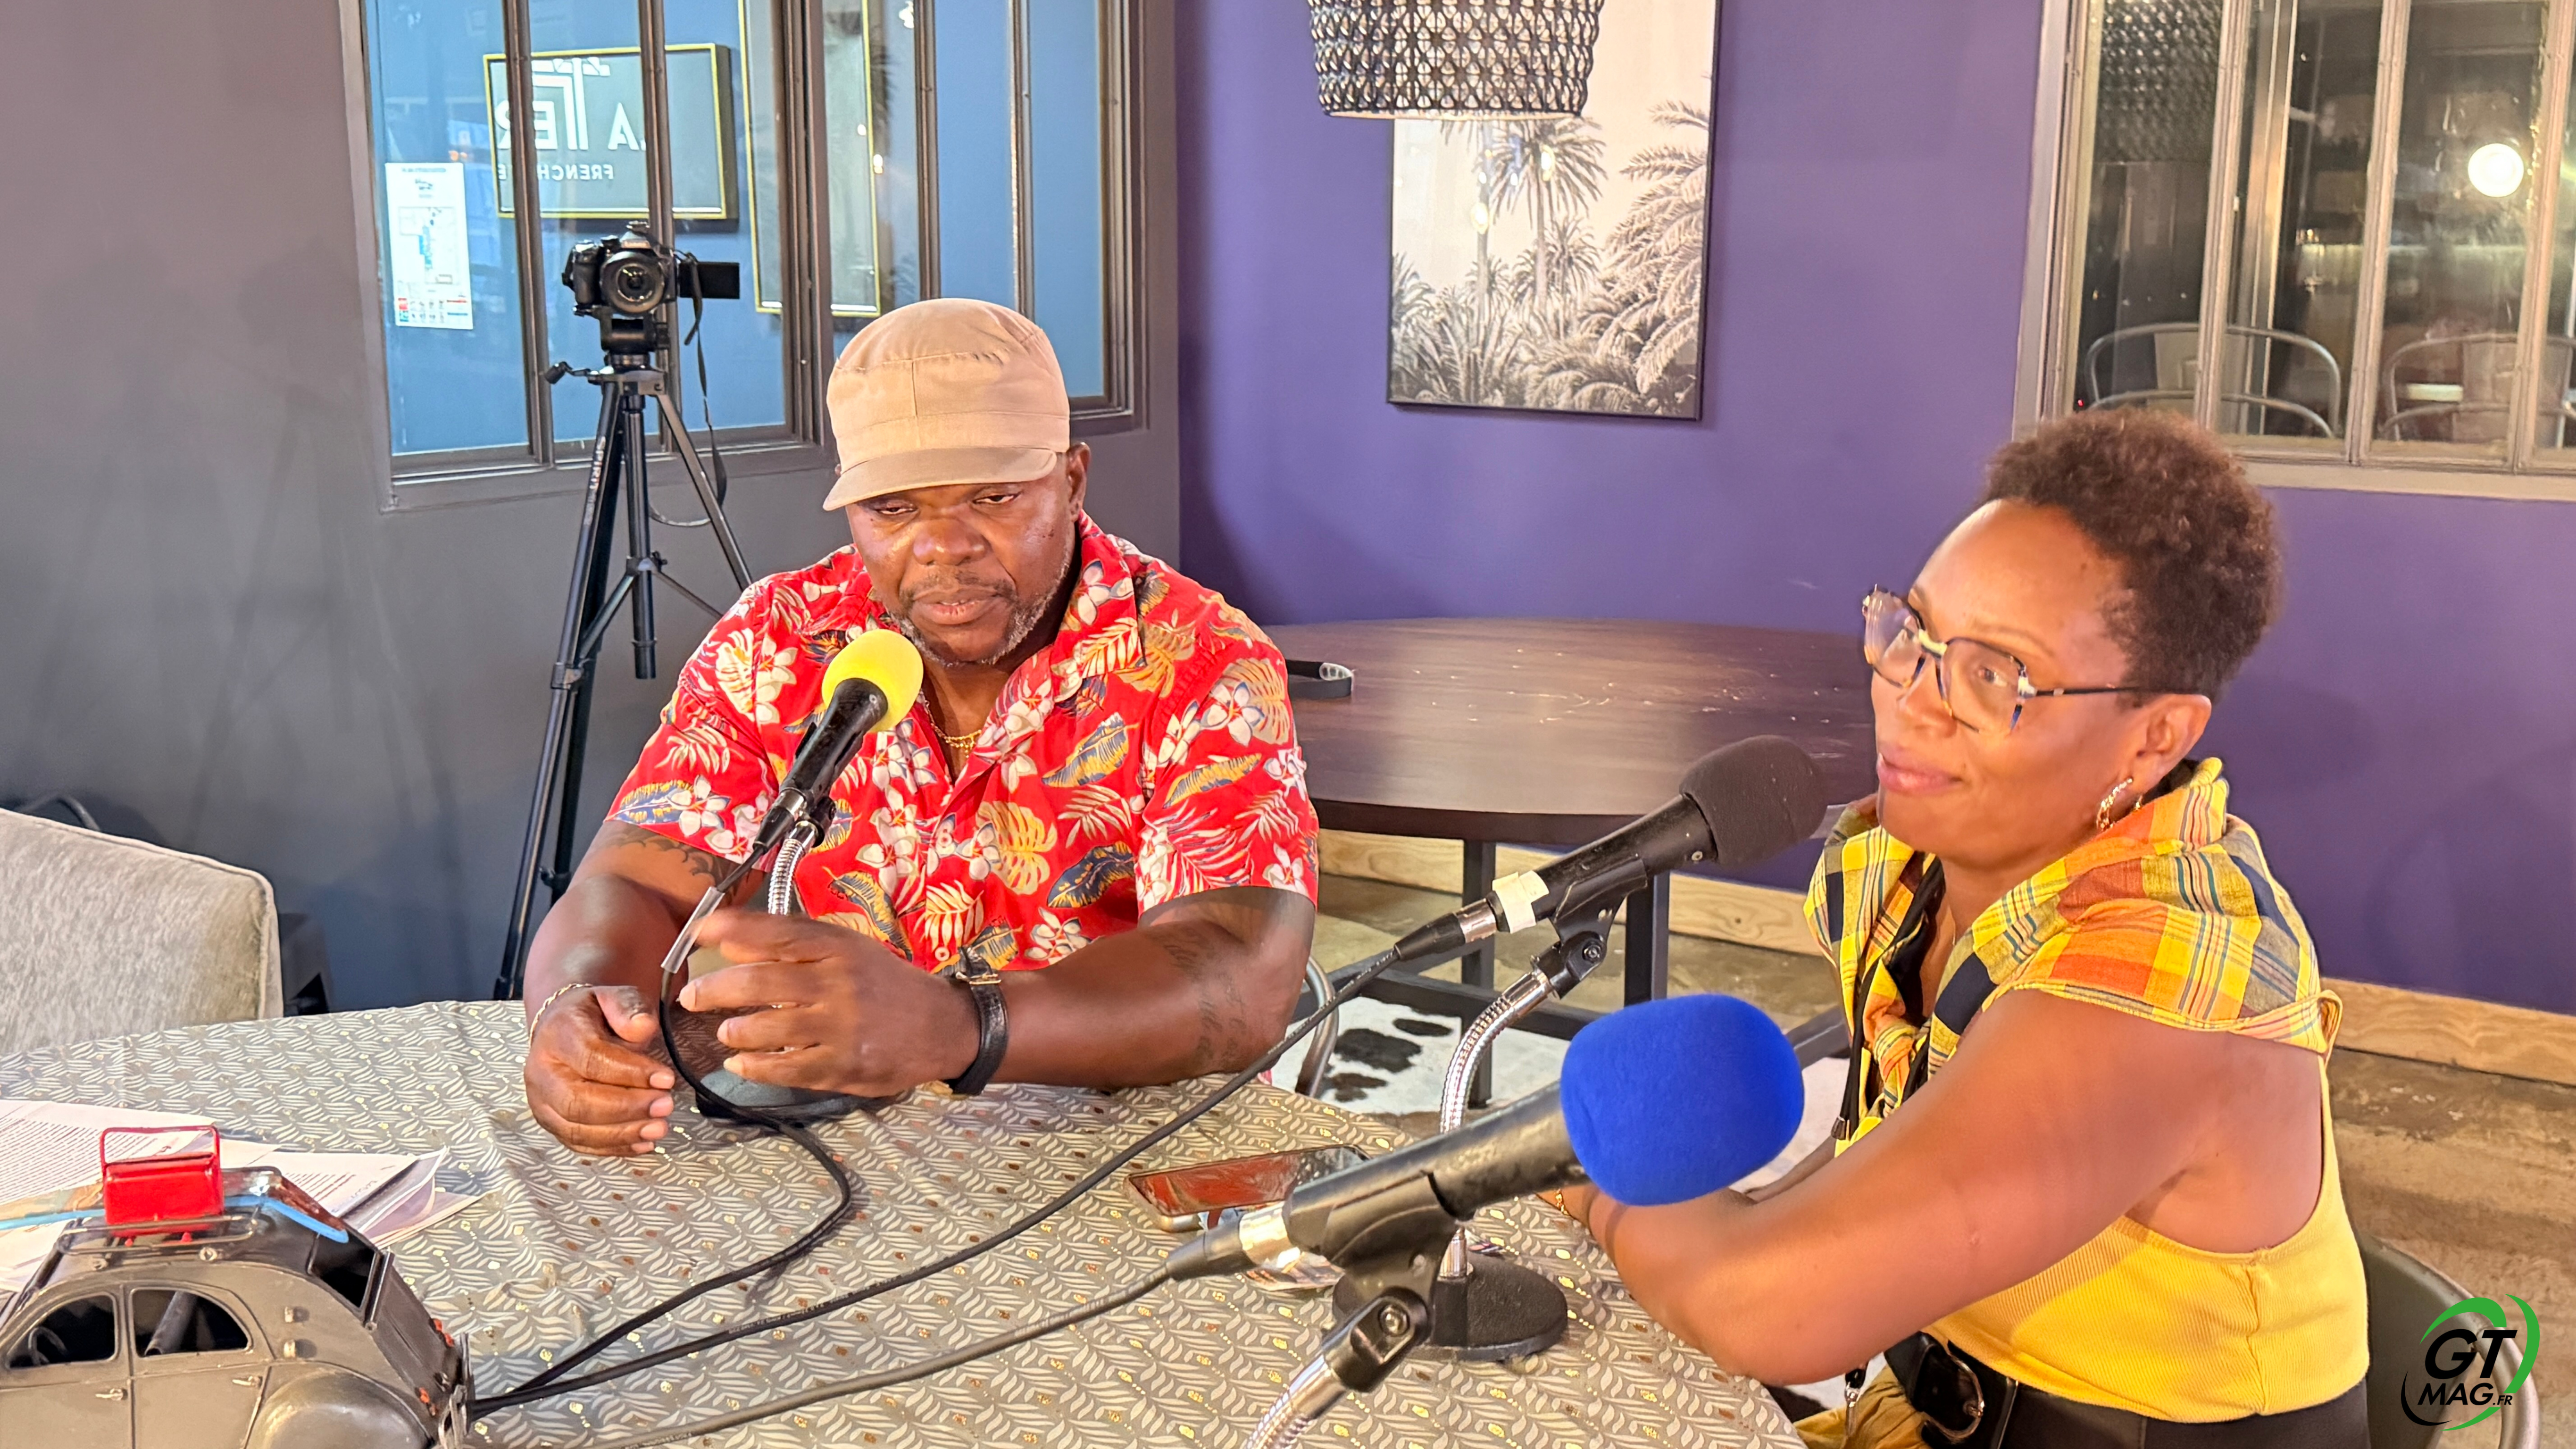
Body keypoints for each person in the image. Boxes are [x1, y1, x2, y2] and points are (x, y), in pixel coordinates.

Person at [1555, 411, 2368, 1446]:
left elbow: (1767, 1307)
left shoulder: (2164, 982)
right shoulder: (1910, 872)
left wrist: (1587, 1197)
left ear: (2155, 737)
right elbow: (1893, 1172)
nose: (1910, 699)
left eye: (1995, 676)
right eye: (1912, 635)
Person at [520, 298, 1320, 1155]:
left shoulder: (1200, 660)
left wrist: (957, 1027)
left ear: (1072, 480)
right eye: (892, 508)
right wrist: (578, 1009)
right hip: (866, 1151)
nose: (943, 545)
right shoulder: (781, 639)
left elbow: (1239, 971)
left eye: (993, 496)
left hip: (1131, 1151)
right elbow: (637, 881)